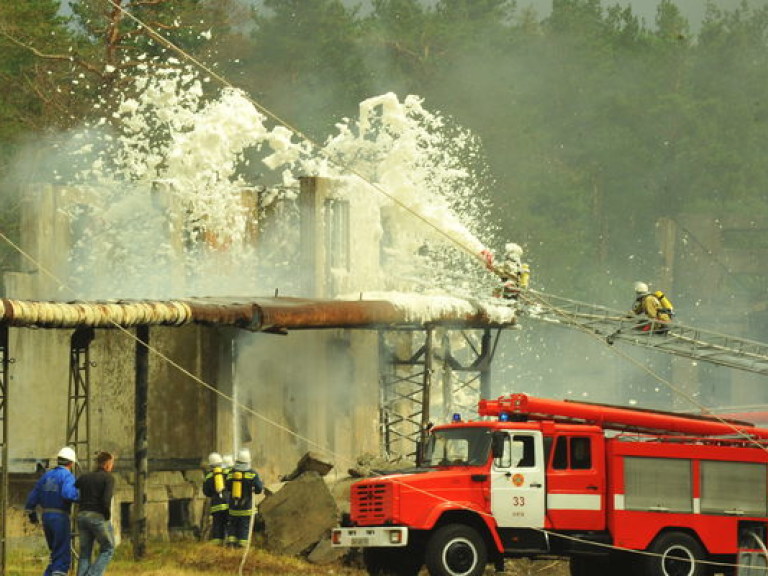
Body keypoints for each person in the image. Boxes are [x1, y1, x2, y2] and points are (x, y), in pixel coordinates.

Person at [25, 446, 80, 576]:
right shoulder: (67, 476)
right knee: (62, 557)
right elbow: (68, 494)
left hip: (46, 516)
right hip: (60, 517)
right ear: (71, 463)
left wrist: (32, 514)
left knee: (55, 554)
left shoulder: (46, 476)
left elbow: (32, 498)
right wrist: (80, 496)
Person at [75, 451, 116, 576]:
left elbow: (75, 487)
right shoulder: (108, 478)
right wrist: (107, 515)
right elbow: (106, 500)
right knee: (108, 548)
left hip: (82, 516)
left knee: (85, 553)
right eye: (112, 463)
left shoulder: (85, 477)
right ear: (107, 464)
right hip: (97, 516)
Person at [225, 448, 263, 548]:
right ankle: (242, 547)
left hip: (233, 508)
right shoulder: (252, 474)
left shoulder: (231, 473)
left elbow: (227, 486)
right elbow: (259, 489)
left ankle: (231, 544)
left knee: (232, 526)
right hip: (246, 508)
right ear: (248, 461)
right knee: (244, 527)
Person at [202, 452, 229, 545]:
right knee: (229, 525)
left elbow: (206, 491)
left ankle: (218, 546)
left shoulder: (209, 476)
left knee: (218, 526)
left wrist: (213, 494)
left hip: (216, 506)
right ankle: (230, 545)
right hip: (228, 504)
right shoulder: (227, 472)